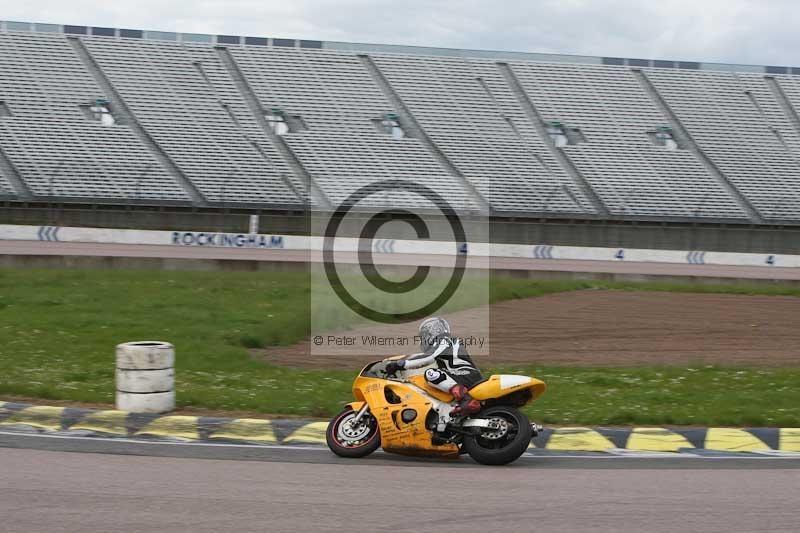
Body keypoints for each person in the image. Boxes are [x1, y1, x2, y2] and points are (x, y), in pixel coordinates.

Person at [385, 317, 483, 416]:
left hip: (466, 373)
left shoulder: (444, 340)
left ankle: (466, 400)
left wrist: (401, 364)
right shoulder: (446, 342)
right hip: (464, 374)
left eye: (424, 336)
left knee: (431, 374)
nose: (423, 339)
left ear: (432, 332)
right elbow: (422, 357)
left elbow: (428, 357)